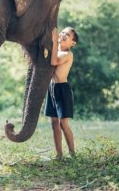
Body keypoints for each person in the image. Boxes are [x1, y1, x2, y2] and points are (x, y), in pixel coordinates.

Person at [45, 27, 78, 159]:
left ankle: (72, 153)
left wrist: (53, 41)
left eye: (68, 35)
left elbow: (54, 61)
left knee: (63, 124)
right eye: (63, 32)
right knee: (54, 123)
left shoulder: (68, 54)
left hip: (62, 89)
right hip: (52, 88)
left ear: (72, 43)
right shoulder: (56, 50)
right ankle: (59, 155)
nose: (63, 35)